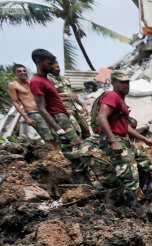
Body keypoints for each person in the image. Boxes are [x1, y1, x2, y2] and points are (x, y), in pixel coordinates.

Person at [96, 70, 152, 207]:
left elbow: (124, 126)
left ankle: (147, 191)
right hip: (114, 139)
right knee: (128, 174)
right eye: (122, 82)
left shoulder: (120, 99)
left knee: (144, 162)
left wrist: (144, 139)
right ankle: (131, 207)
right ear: (113, 82)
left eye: (127, 82)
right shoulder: (111, 96)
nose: (126, 85)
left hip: (122, 139)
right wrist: (114, 141)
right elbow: (101, 117)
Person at [30, 49, 88, 182]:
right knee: (74, 152)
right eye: (49, 63)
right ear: (39, 62)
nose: (52, 66)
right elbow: (41, 108)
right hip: (58, 119)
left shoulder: (46, 79)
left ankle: (86, 182)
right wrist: (58, 129)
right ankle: (82, 183)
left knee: (77, 149)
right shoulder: (36, 81)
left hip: (63, 117)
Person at [7, 63, 56, 148]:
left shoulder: (31, 82)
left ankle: (58, 153)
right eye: (19, 71)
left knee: (55, 133)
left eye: (24, 70)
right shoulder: (13, 85)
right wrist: (26, 118)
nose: (22, 72)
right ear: (15, 73)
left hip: (44, 111)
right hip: (33, 113)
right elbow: (15, 102)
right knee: (47, 136)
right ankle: (56, 154)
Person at [49, 61, 91, 137]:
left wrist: (82, 105)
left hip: (75, 108)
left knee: (86, 129)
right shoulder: (48, 80)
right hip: (65, 110)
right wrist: (64, 110)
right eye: (53, 68)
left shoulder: (64, 78)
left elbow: (72, 93)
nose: (56, 69)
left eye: (57, 67)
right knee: (76, 132)